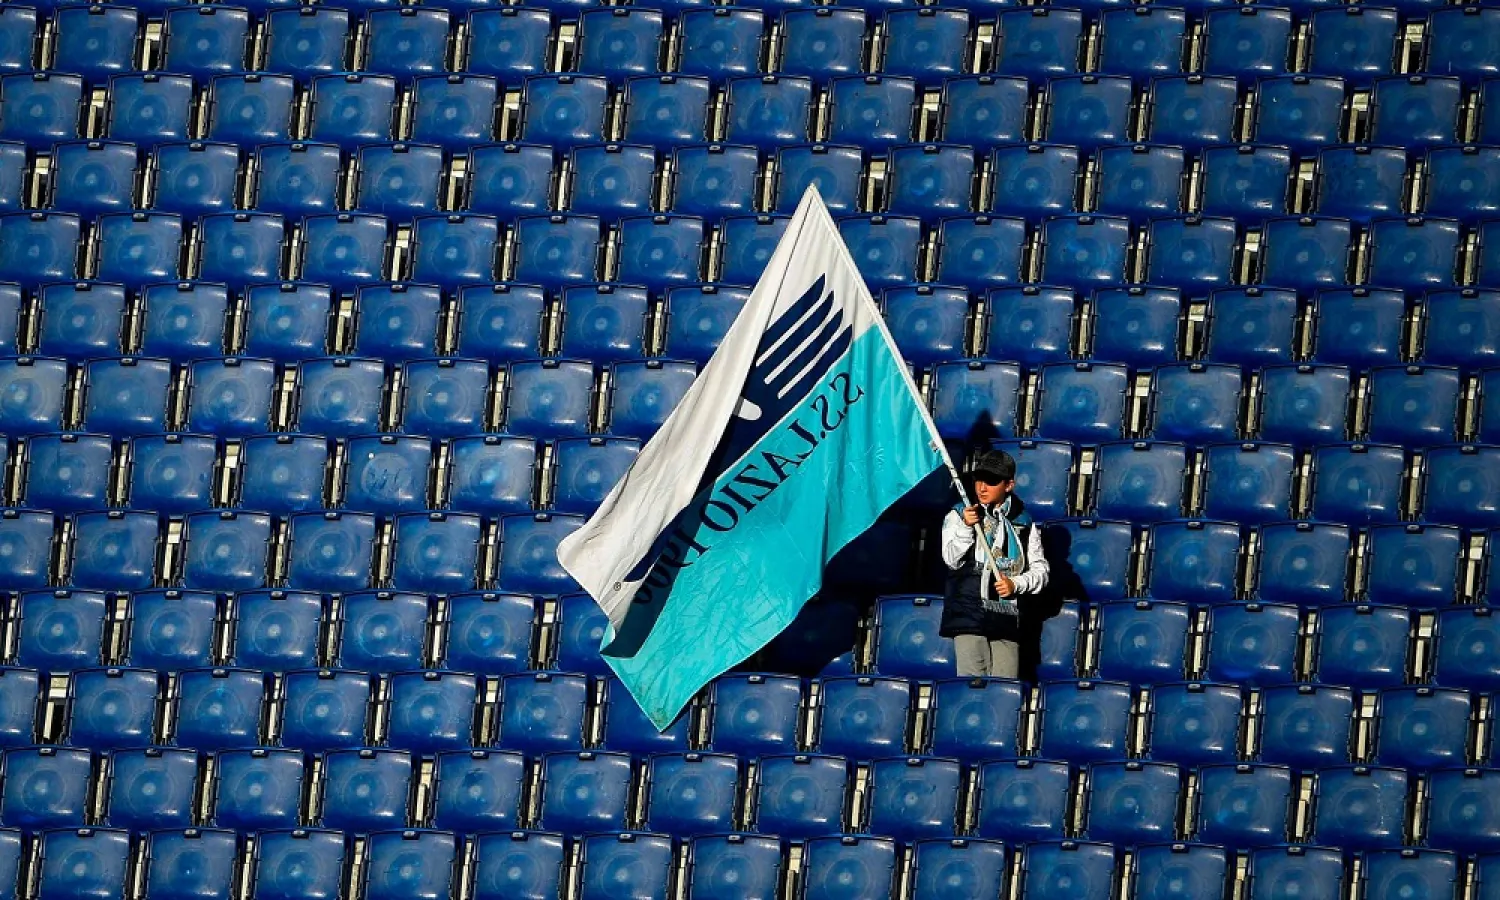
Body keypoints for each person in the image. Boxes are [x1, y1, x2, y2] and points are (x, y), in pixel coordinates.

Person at [940, 449, 1050, 678]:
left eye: (991, 481)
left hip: (1006, 616)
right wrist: (966, 528)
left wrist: (1016, 584)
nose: (982, 487)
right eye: (979, 479)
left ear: (1008, 485)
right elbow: (951, 559)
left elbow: (1041, 570)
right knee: (972, 686)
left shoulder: (1023, 521)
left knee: (1005, 688)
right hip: (968, 613)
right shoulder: (960, 513)